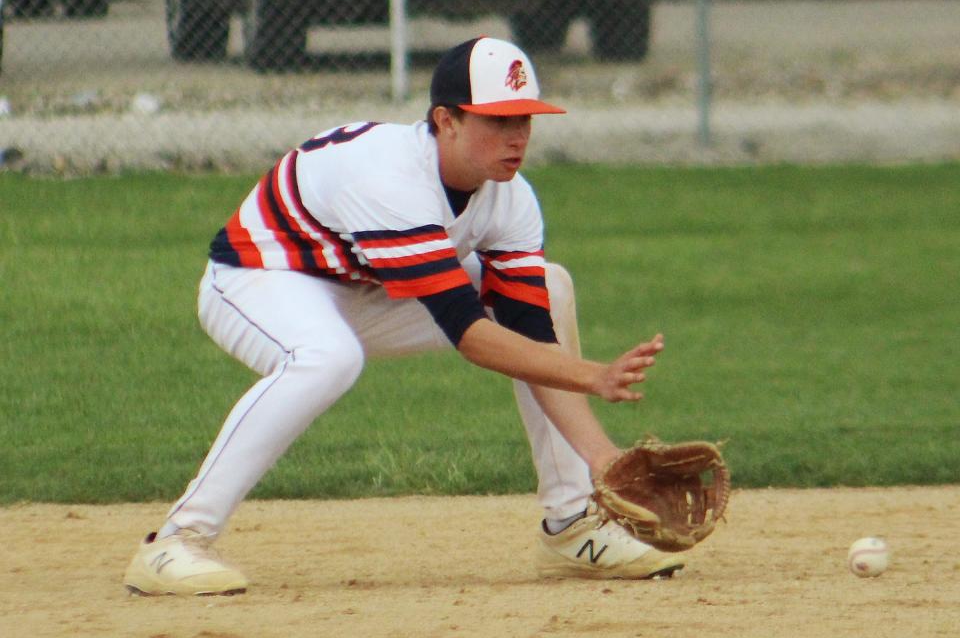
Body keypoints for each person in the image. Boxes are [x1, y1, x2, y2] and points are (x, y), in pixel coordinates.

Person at [123, 36, 684, 596]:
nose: (517, 137)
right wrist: (592, 374)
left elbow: (529, 339)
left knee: (552, 288)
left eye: (526, 119)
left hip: (361, 287)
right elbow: (471, 337)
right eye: (498, 120)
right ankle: (176, 541)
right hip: (258, 280)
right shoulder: (390, 178)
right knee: (327, 358)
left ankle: (571, 527)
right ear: (447, 121)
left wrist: (606, 460)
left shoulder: (509, 200)